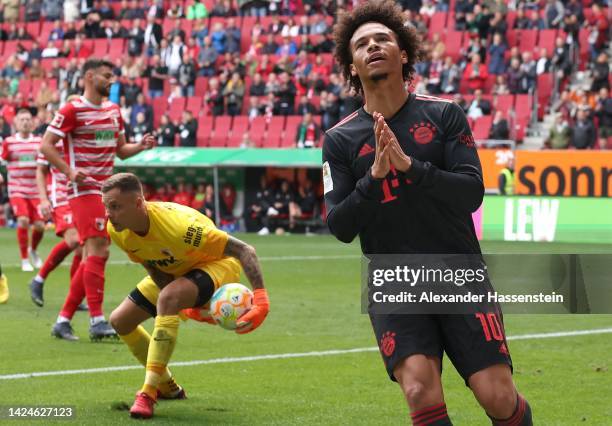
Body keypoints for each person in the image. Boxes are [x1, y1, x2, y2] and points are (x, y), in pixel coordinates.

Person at [324, 2, 532, 425]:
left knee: (497, 396)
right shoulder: (339, 140)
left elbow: (471, 192)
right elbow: (340, 225)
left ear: (404, 54)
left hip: (459, 271)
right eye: (361, 44)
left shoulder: (443, 115)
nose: (373, 46)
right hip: (392, 277)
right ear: (351, 66)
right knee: (419, 389)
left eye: (383, 39)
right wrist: (374, 178)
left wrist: (411, 168)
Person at [101, 173, 269, 419]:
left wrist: (262, 300)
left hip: (217, 266)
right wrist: (181, 304)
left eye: (115, 207)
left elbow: (244, 250)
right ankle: (168, 386)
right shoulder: (118, 230)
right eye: (106, 207)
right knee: (120, 320)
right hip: (176, 270)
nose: (108, 214)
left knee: (168, 299)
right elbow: (152, 264)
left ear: (138, 203)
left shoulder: (182, 227)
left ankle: (148, 393)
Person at [40, 58, 156, 341]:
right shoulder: (71, 110)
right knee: (99, 249)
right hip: (83, 190)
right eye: (107, 75)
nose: (112, 80)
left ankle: (64, 320)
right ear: (89, 77)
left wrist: (140, 146)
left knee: (93, 253)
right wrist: (69, 171)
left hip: (106, 190)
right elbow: (46, 145)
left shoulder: (114, 111)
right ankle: (96, 321)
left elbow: (121, 151)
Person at [30, 135, 83, 313]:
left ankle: (73, 298)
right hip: (60, 196)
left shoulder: (83, 134)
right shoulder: (52, 138)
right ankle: (39, 279)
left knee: (82, 248)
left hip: (82, 195)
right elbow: (40, 170)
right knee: (75, 240)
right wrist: (43, 199)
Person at [0, 108, 45, 272]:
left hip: (36, 190)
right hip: (17, 189)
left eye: (28, 119)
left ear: (33, 123)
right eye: (22, 120)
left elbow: (45, 164)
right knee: (23, 220)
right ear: (16, 123)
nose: (25, 122)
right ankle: (24, 259)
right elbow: (1, 159)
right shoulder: (9, 142)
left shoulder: (39, 142)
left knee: (40, 226)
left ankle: (33, 250)